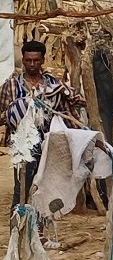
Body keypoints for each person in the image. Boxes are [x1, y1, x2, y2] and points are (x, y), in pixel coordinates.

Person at [0, 39, 86, 213]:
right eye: (28, 60)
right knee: (22, 191)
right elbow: (2, 115)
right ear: (23, 60)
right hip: (23, 148)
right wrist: (18, 111)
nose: (32, 64)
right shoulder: (11, 87)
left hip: (49, 146)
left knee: (45, 191)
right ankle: (18, 233)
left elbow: (69, 110)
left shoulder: (53, 86)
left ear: (43, 60)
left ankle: (40, 235)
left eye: (36, 60)